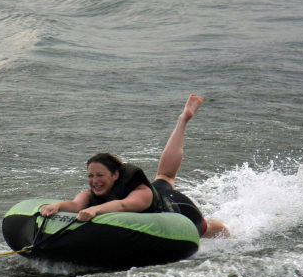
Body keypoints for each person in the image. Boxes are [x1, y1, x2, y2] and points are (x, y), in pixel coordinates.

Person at [40, 94, 229, 238]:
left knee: (205, 226)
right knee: (164, 177)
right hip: (154, 194)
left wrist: (95, 210)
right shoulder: (90, 194)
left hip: (175, 208)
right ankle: (183, 119)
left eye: (100, 176)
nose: (94, 181)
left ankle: (183, 120)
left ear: (115, 175)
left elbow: (122, 205)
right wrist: (56, 206)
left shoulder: (141, 193)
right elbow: (74, 205)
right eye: (90, 176)